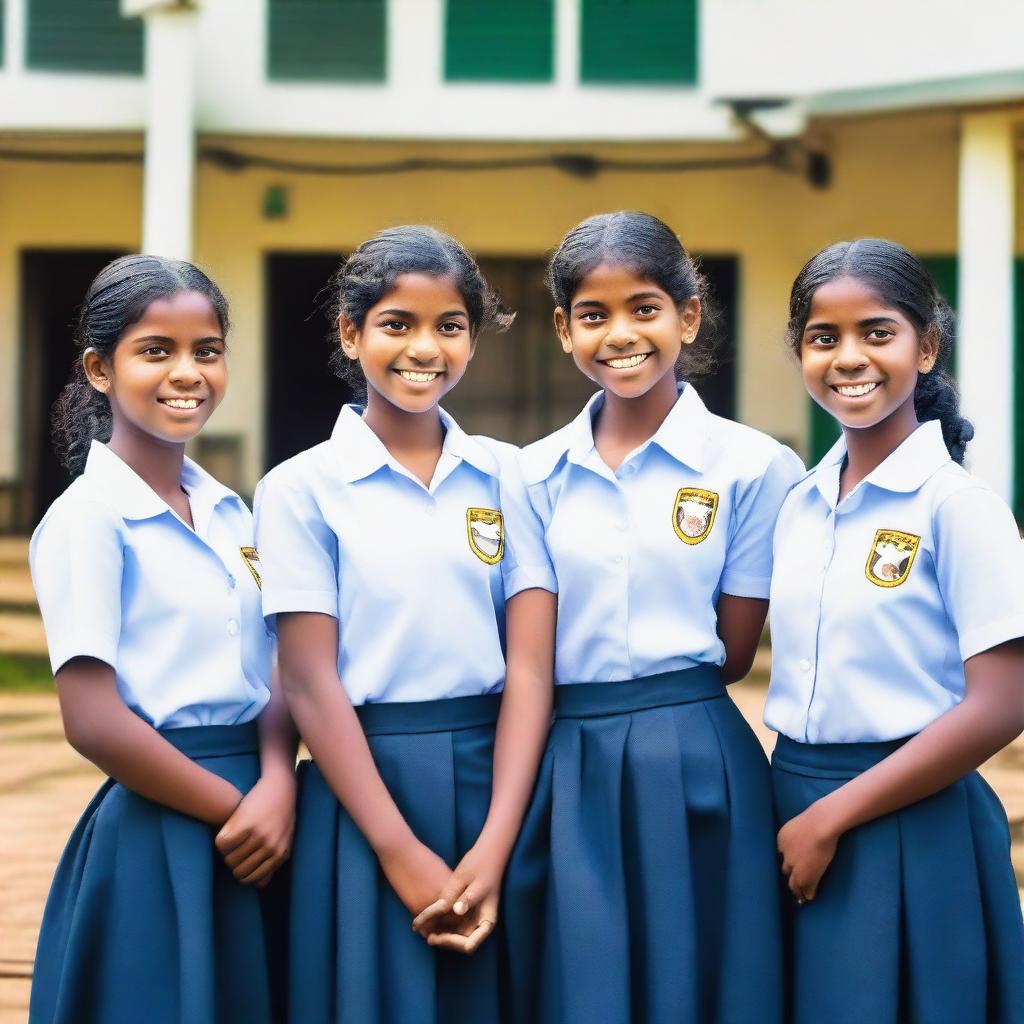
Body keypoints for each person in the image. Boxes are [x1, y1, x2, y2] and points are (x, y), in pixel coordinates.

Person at [504, 211, 803, 1023]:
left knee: (705, 972)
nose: (621, 334)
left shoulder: (755, 467)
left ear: (689, 316)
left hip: (698, 748)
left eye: (645, 308)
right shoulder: (530, 478)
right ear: (564, 329)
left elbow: (736, 651)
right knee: (581, 975)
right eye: (593, 315)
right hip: (570, 754)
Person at [254, 226, 557, 1023]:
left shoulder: (507, 474)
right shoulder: (301, 488)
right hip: (365, 792)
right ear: (351, 334)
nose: (425, 348)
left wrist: (495, 843)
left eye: (449, 327)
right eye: (397, 324)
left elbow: (530, 667)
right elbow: (311, 681)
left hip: (495, 780)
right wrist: (397, 848)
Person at [29, 255, 295, 1024]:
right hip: (166, 824)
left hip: (261, 817)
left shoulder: (232, 512)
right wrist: (233, 808)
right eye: (156, 351)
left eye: (206, 351)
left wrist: (277, 782)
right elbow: (93, 719)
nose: (188, 373)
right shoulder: (89, 519)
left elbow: (279, 667)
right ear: (99, 368)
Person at [766, 237, 1024, 1023]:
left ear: (927, 346)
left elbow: (1005, 703)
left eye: (877, 332)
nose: (850, 358)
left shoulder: (956, 505)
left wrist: (833, 817)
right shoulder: (800, 501)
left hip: (914, 823)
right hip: (794, 808)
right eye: (823, 338)